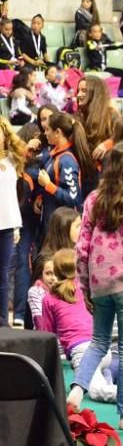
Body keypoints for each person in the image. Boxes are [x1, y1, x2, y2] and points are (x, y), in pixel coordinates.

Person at [66, 141, 123, 430]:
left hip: (99, 281)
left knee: (99, 342)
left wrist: (85, 285)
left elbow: (82, 247)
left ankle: (78, 390)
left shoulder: (94, 199)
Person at [0, 116, 24, 327]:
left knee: (3, 276)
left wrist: (16, 225)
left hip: (8, 225)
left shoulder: (12, 161)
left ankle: (2, 322)